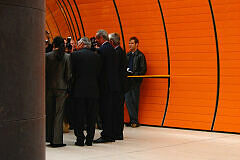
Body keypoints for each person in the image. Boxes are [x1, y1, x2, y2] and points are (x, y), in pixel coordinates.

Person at [71, 37, 101, 146]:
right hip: (93, 90)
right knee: (91, 116)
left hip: (79, 90)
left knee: (79, 115)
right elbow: (99, 74)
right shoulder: (97, 56)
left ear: (82, 44)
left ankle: (80, 139)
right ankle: (89, 139)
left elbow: (72, 73)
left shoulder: (75, 55)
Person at [93, 29, 120, 143]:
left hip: (104, 86)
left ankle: (106, 135)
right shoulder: (113, 50)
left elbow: (99, 69)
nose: (96, 41)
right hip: (113, 85)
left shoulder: (102, 50)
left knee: (104, 111)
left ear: (101, 38)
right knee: (111, 110)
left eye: (96, 39)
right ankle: (111, 133)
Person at [45, 36, 71, 147]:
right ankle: (57, 140)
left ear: (53, 44)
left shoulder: (47, 56)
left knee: (49, 113)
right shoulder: (66, 57)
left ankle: (49, 137)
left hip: (49, 87)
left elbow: (44, 73)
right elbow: (68, 75)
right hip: (62, 88)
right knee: (58, 114)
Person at [108, 33, 128, 140]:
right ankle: (117, 131)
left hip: (118, 87)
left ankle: (117, 132)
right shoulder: (121, 51)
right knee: (118, 109)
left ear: (111, 42)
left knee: (117, 110)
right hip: (121, 86)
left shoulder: (117, 53)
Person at [125, 37, 147, 128]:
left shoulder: (140, 55)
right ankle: (133, 120)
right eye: (129, 43)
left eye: (132, 43)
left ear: (137, 44)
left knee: (134, 101)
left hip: (135, 81)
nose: (130, 45)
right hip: (127, 80)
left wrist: (135, 74)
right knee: (128, 100)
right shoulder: (127, 55)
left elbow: (143, 69)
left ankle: (134, 120)